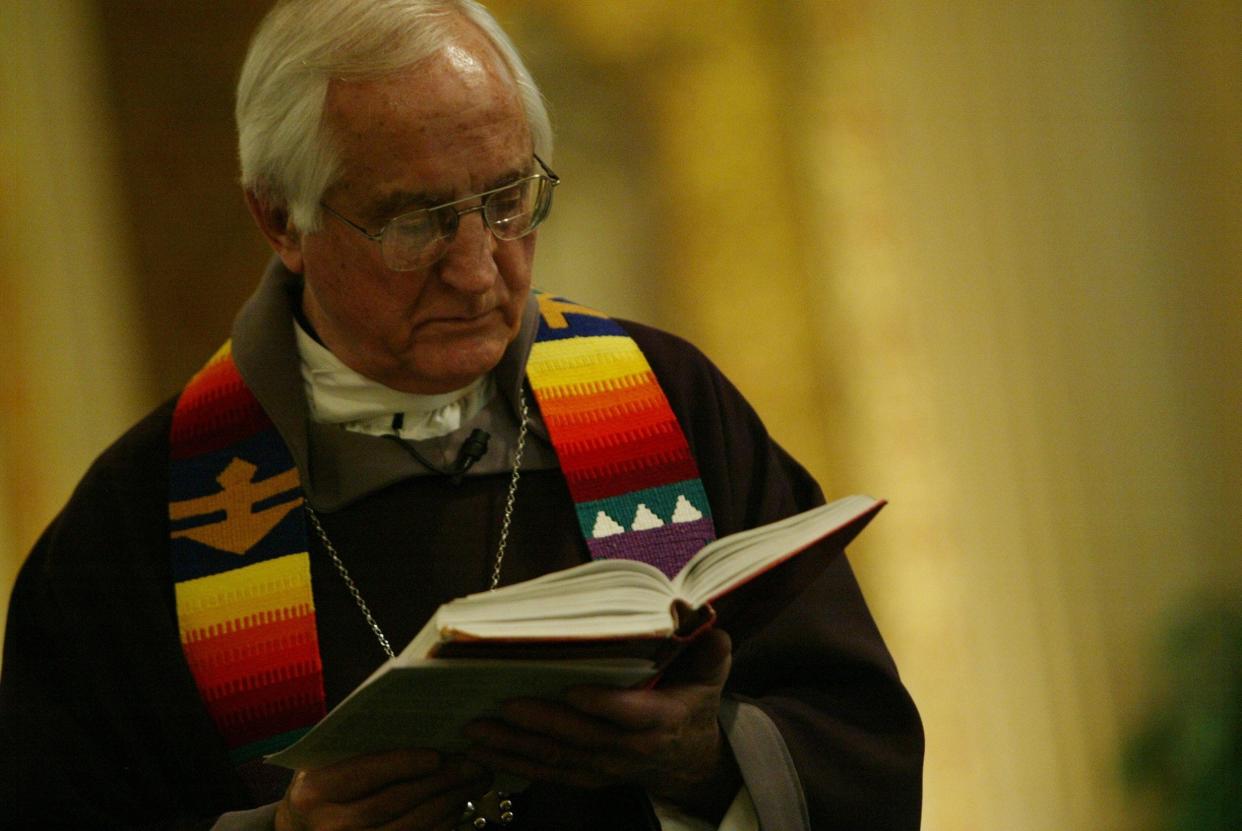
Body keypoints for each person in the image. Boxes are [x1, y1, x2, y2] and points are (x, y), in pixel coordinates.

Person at [0, 1, 924, 829]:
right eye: (416, 222)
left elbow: (860, 747)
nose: (482, 270)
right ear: (281, 219)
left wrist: (701, 758)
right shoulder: (139, 523)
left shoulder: (667, 403)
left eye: (507, 199)